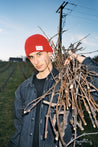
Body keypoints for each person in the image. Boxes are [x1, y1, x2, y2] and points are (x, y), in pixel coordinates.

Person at [8, 34, 98, 147]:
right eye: (31, 57)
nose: (36, 61)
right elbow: (19, 129)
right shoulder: (23, 89)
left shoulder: (67, 84)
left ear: (50, 53)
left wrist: (84, 61)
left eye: (39, 54)